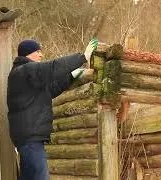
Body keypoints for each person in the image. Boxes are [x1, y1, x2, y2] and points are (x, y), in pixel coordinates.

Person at [7, 39, 98, 180]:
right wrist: (82, 57)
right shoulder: (24, 71)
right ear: (27, 54)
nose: (41, 55)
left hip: (28, 139)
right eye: (38, 51)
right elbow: (53, 67)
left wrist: (70, 76)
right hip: (31, 139)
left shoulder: (26, 76)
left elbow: (50, 89)